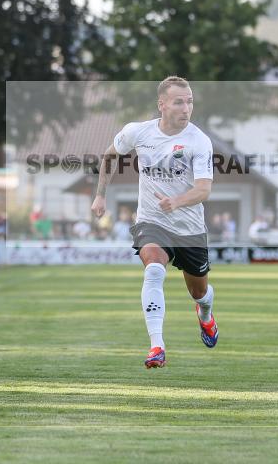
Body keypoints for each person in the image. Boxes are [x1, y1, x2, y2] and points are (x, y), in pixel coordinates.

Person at [90, 76, 217, 369]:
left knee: (199, 293)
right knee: (154, 271)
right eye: (178, 102)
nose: (186, 108)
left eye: (190, 101)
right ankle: (156, 346)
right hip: (152, 221)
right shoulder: (138, 132)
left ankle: (206, 315)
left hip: (189, 229)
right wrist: (100, 196)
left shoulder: (198, 141)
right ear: (161, 104)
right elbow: (110, 156)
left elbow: (204, 189)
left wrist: (177, 201)